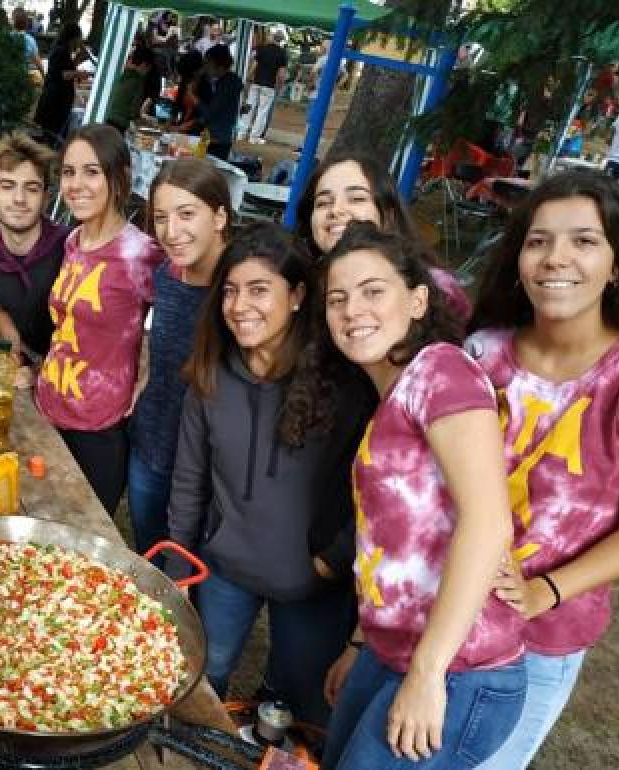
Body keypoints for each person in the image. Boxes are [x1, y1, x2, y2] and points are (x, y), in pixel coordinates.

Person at [466, 171, 619, 769]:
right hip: (444, 607)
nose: (556, 258)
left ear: (617, 266)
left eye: (584, 241)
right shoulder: (481, 352)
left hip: (540, 640)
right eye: (538, 241)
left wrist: (545, 592)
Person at [318, 222, 526, 770]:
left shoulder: (441, 370)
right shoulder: (393, 395)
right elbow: (390, 547)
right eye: (337, 299)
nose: (352, 310)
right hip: (393, 650)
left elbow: (488, 523)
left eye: (373, 291)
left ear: (416, 301)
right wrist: (362, 644)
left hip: (460, 667)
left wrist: (428, 673)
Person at [167, 224, 369, 728]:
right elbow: (189, 480)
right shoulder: (210, 375)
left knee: (303, 704)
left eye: (259, 289)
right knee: (200, 678)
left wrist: (334, 560)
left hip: (312, 582)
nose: (239, 306)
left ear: (297, 295)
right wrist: (178, 570)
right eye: (230, 291)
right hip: (225, 569)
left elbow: (376, 491)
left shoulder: (344, 382)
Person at [35, 124, 163, 514]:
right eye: (68, 172)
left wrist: (147, 370)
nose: (76, 184)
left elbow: (171, 317)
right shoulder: (73, 242)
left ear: (119, 177)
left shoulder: (140, 254)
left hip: (98, 428)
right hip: (48, 409)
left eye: (91, 172)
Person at [127, 158, 230, 558]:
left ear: (219, 216)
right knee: (151, 558)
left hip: (208, 472)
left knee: (191, 574)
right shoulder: (164, 275)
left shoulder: (241, 291)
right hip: (151, 446)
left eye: (187, 214)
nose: (171, 231)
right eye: (161, 217)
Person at [296, 150, 472, 323]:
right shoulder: (297, 285)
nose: (336, 210)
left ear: (388, 214)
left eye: (356, 199)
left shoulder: (435, 289)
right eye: (323, 203)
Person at [0, 132, 67, 368]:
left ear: (45, 198)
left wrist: (40, 371)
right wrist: (11, 343)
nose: (19, 199)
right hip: (29, 361)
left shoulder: (71, 249)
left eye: (31, 188)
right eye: (8, 186)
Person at [34, 22, 87, 140]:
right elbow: (62, 74)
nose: (80, 41)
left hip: (57, 97)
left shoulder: (63, 50)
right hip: (56, 98)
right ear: (73, 37)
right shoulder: (61, 51)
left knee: (50, 134)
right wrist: (79, 74)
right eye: (79, 37)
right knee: (51, 134)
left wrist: (79, 58)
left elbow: (66, 68)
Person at [194, 44, 243, 161]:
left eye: (207, 64)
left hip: (217, 140)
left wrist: (193, 98)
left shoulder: (227, 84)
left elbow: (210, 113)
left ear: (219, 66)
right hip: (217, 137)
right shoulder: (227, 81)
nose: (205, 68)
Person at [242, 28, 288, 144]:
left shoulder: (262, 49)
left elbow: (254, 65)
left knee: (249, 107)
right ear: (281, 40)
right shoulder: (282, 53)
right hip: (269, 86)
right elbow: (281, 74)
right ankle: (254, 137)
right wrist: (279, 87)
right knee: (262, 112)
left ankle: (241, 133)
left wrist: (248, 78)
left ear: (272, 37)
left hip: (256, 83)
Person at [105, 45, 157, 133]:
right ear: (144, 65)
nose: (147, 72)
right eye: (148, 69)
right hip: (119, 123)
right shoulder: (137, 80)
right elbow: (134, 108)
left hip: (106, 116)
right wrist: (140, 119)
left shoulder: (120, 72)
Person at [10, 7, 43, 76]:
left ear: (13, 21)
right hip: (22, 76)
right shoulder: (30, 40)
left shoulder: (6, 38)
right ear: (26, 22)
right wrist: (44, 76)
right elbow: (38, 63)